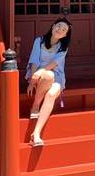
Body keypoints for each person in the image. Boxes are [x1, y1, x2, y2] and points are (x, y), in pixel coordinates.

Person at [25, 18, 71, 147]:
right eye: (59, 26)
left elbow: (54, 63)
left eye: (64, 30)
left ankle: (36, 133)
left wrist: (41, 72)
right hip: (39, 75)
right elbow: (34, 60)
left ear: (65, 35)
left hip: (57, 76)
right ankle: (35, 105)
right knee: (48, 76)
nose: (60, 30)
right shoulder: (39, 41)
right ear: (53, 26)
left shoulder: (63, 47)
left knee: (51, 94)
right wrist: (33, 79)